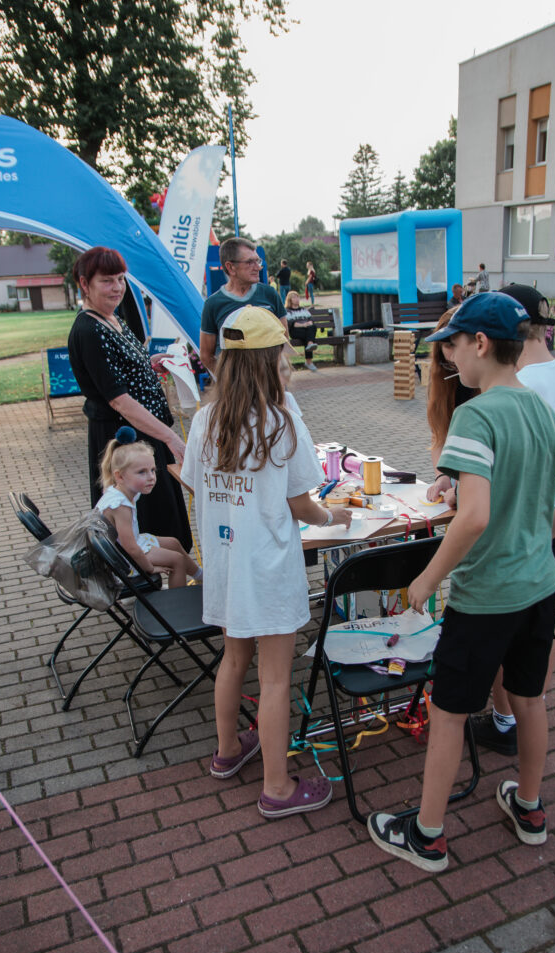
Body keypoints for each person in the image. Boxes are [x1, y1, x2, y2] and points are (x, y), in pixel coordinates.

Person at [367, 292, 555, 872]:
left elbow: (471, 517)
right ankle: (529, 808)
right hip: (538, 587)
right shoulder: (539, 408)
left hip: (486, 597)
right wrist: (538, 538)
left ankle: (427, 836)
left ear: (480, 343)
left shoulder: (476, 414)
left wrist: (426, 579)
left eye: (451, 345)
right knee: (529, 698)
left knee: (449, 712)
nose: (447, 358)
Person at [182, 306, 352, 818]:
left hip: (226, 563)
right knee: (275, 677)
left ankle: (227, 750)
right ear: (269, 359)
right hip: (269, 567)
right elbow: (303, 505)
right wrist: (332, 517)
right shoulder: (281, 422)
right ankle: (277, 788)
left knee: (234, 659)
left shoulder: (204, 419)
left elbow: (195, 484)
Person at [471, 283, 555, 754]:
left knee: (506, 628)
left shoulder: (521, 387)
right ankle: (529, 708)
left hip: (521, 522)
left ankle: (506, 721)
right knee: (541, 623)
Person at [67, 246, 192, 550]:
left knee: (165, 521)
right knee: (143, 529)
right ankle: (154, 576)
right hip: (125, 440)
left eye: (121, 279)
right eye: (107, 281)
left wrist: (150, 363)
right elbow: (118, 399)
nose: (117, 287)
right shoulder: (89, 330)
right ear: (84, 284)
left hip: (145, 436)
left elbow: (122, 369)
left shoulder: (113, 318)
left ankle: (169, 571)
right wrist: (171, 439)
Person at [96, 428, 202, 587]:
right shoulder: (120, 506)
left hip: (126, 548)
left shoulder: (121, 489)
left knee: (173, 543)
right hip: (121, 561)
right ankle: (177, 599)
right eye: (142, 472)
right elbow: (130, 549)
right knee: (177, 560)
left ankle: (201, 576)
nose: (151, 477)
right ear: (120, 476)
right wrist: (149, 568)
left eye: (153, 470)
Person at [199, 237, 287, 375]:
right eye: (250, 262)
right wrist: (229, 380)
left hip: (270, 381)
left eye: (258, 261)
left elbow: (284, 338)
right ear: (230, 267)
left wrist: (274, 377)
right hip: (235, 387)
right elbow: (206, 356)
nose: (258, 267)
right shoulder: (213, 304)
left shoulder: (269, 294)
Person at [425, 308, 478, 505]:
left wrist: (462, 491)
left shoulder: (493, 396)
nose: (453, 357)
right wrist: (442, 475)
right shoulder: (442, 381)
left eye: (455, 344)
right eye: (447, 345)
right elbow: (439, 436)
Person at [285, 290, 318, 371]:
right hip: (295, 331)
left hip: (306, 330)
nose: (297, 299)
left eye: (297, 297)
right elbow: (291, 324)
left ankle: (310, 344)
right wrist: (303, 325)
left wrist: (310, 322)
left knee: (312, 328)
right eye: (294, 297)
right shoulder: (287, 311)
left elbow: (311, 319)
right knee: (309, 335)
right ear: (290, 300)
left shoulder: (303, 310)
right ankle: (309, 361)